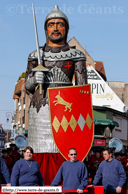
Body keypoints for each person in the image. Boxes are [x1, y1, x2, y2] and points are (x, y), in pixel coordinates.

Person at [25, 5, 87, 153]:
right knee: (38, 152)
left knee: (65, 151)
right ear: (46, 29)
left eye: (60, 24)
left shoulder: (76, 55)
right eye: (51, 25)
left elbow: (82, 89)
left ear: (66, 28)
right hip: (40, 106)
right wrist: (34, 80)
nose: (55, 28)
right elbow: (27, 86)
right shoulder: (35, 55)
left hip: (66, 107)